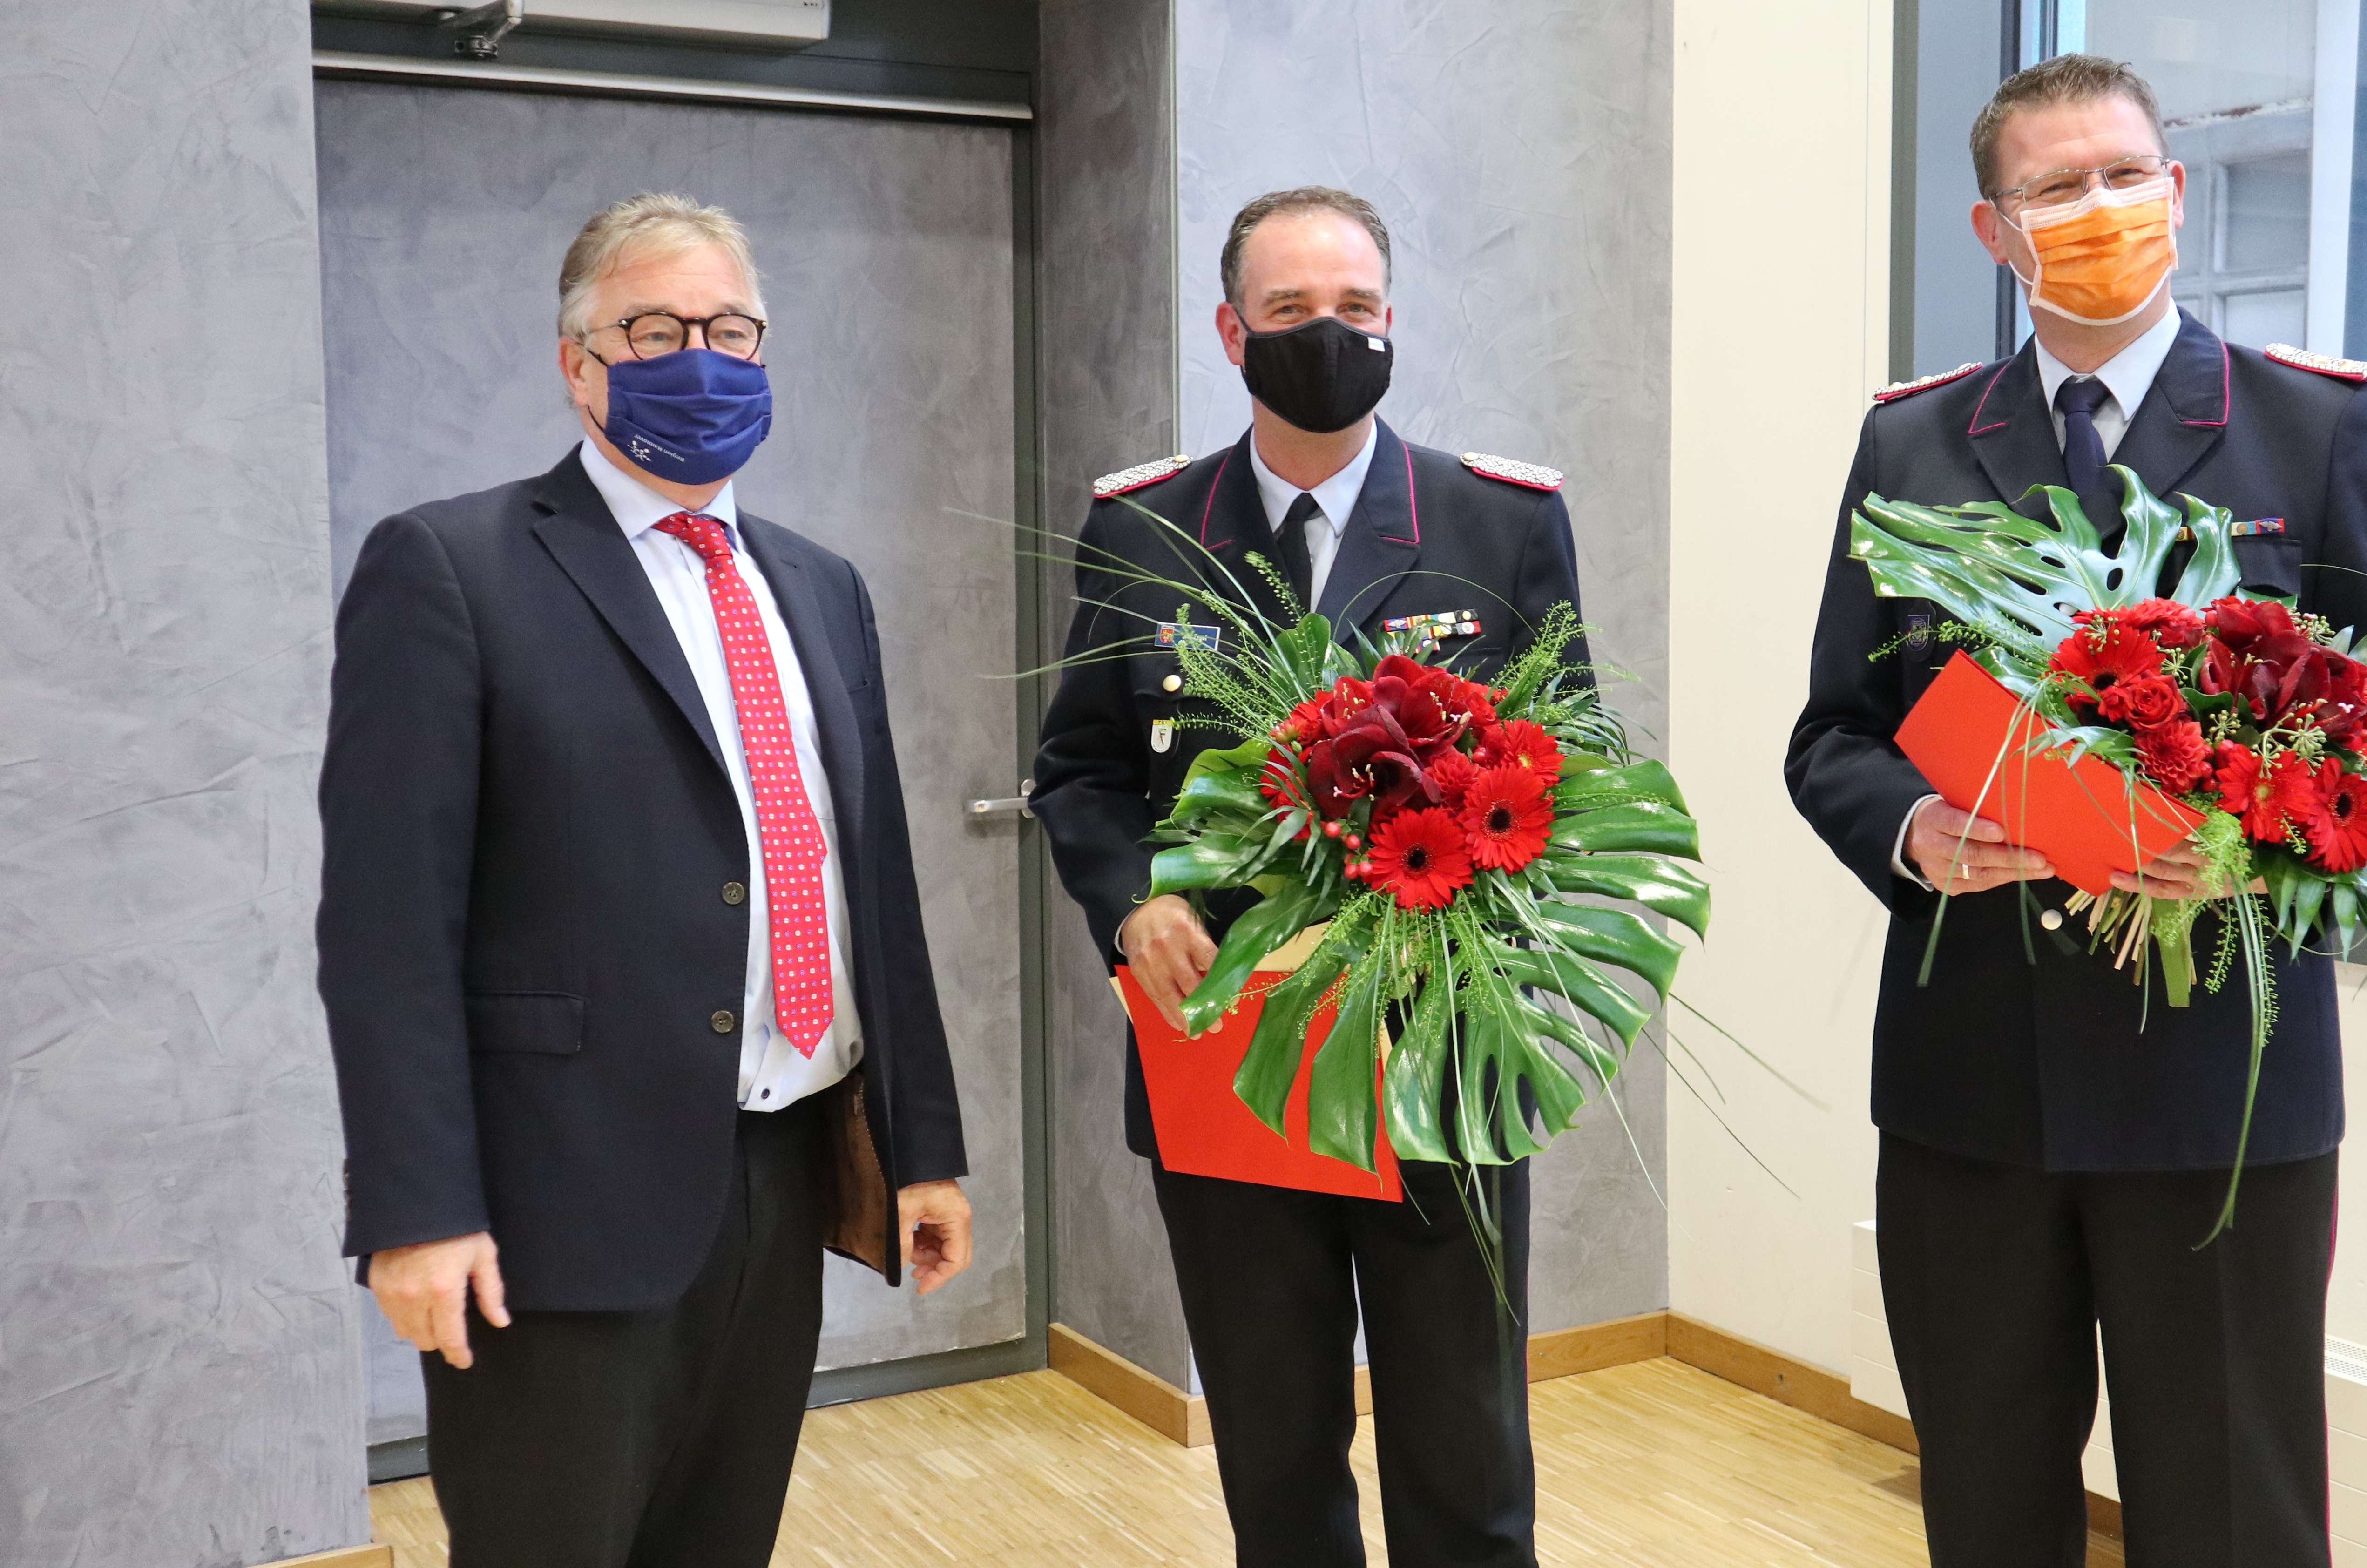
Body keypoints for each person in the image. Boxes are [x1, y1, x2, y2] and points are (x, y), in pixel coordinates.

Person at [1786, 56, 2367, 1568]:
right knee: (1989, 1499)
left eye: (2126, 174)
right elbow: (1836, 733)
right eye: (2056, 188)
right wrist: (1915, 832)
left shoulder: (2314, 430)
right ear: (1992, 228)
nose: (2101, 208)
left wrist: (2248, 854)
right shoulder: (1914, 445)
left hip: (2220, 1094)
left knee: (2229, 1509)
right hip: (1971, 1087)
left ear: (2179, 191)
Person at [318, 192, 974, 1567]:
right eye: (656, 328)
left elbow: (874, 887)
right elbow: (386, 928)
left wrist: (926, 1151)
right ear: (577, 360)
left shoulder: (821, 585)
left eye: (731, 330)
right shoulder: (449, 567)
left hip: (785, 1174)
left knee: (718, 1541)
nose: (702, 358)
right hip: (558, 1199)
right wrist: (417, 1210)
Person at [1031, 185, 1584, 1568]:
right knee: (1274, 1449)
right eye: (1289, 311)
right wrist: (1128, 903)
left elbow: (1572, 765)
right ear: (1232, 329)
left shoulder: (1496, 520)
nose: (1325, 334)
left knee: (1465, 1450)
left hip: (1438, 1055)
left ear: (1391, 322)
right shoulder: (1143, 529)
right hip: (1228, 1046)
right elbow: (1082, 769)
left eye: (1353, 309)